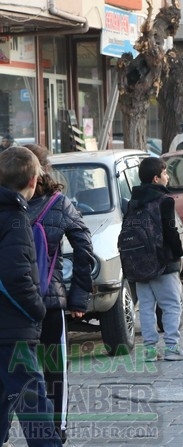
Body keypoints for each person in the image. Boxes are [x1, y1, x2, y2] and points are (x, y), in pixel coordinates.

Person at [25, 144, 94, 443]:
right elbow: (84, 250)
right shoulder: (60, 203)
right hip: (50, 300)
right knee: (56, 372)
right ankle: (57, 432)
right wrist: (78, 297)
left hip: (12, 304)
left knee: (17, 371)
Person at [0, 146, 62, 446]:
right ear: (35, 181)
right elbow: (14, 275)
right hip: (12, 329)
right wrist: (37, 309)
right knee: (33, 404)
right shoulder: (14, 218)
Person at [128, 157, 183, 361]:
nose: (167, 177)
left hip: (138, 262)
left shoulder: (133, 202)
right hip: (162, 261)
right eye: (165, 174)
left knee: (146, 306)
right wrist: (177, 254)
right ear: (156, 178)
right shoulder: (164, 200)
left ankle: (149, 350)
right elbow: (170, 231)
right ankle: (172, 347)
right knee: (172, 304)